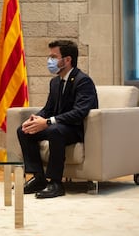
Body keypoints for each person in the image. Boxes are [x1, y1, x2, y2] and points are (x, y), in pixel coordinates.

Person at [17, 40, 98, 198]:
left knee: (54, 131)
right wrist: (36, 119)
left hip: (75, 129)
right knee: (24, 130)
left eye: (54, 57)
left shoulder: (83, 81)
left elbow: (79, 112)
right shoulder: (55, 82)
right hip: (58, 126)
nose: (50, 60)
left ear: (67, 60)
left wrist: (47, 122)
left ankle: (55, 183)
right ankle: (39, 178)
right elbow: (48, 108)